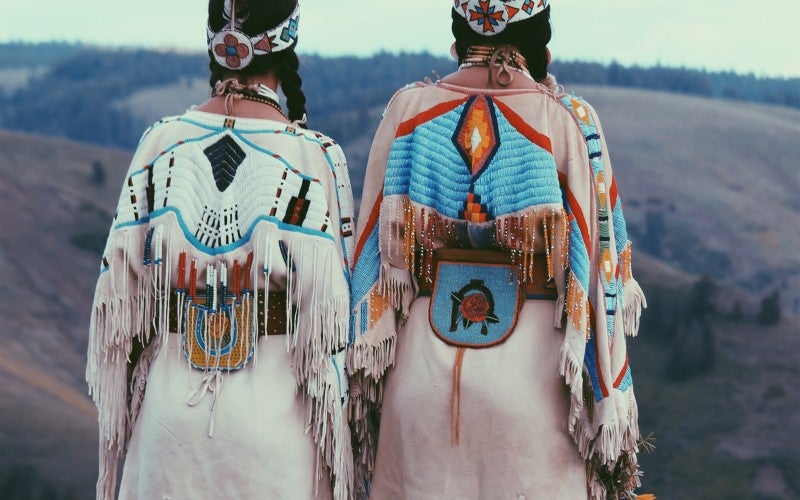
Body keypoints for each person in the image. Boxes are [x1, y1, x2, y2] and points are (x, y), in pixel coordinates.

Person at [348, 1, 648, 498]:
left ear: (459, 34)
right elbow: (601, 279)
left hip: (419, 381)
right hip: (533, 389)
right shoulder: (568, 121)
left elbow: (369, 266)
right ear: (539, 39)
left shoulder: (406, 112)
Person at [86, 1, 355, 498]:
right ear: (287, 46)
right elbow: (335, 322)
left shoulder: (160, 144)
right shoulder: (313, 156)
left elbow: (117, 307)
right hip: (273, 424)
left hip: (169, 421)